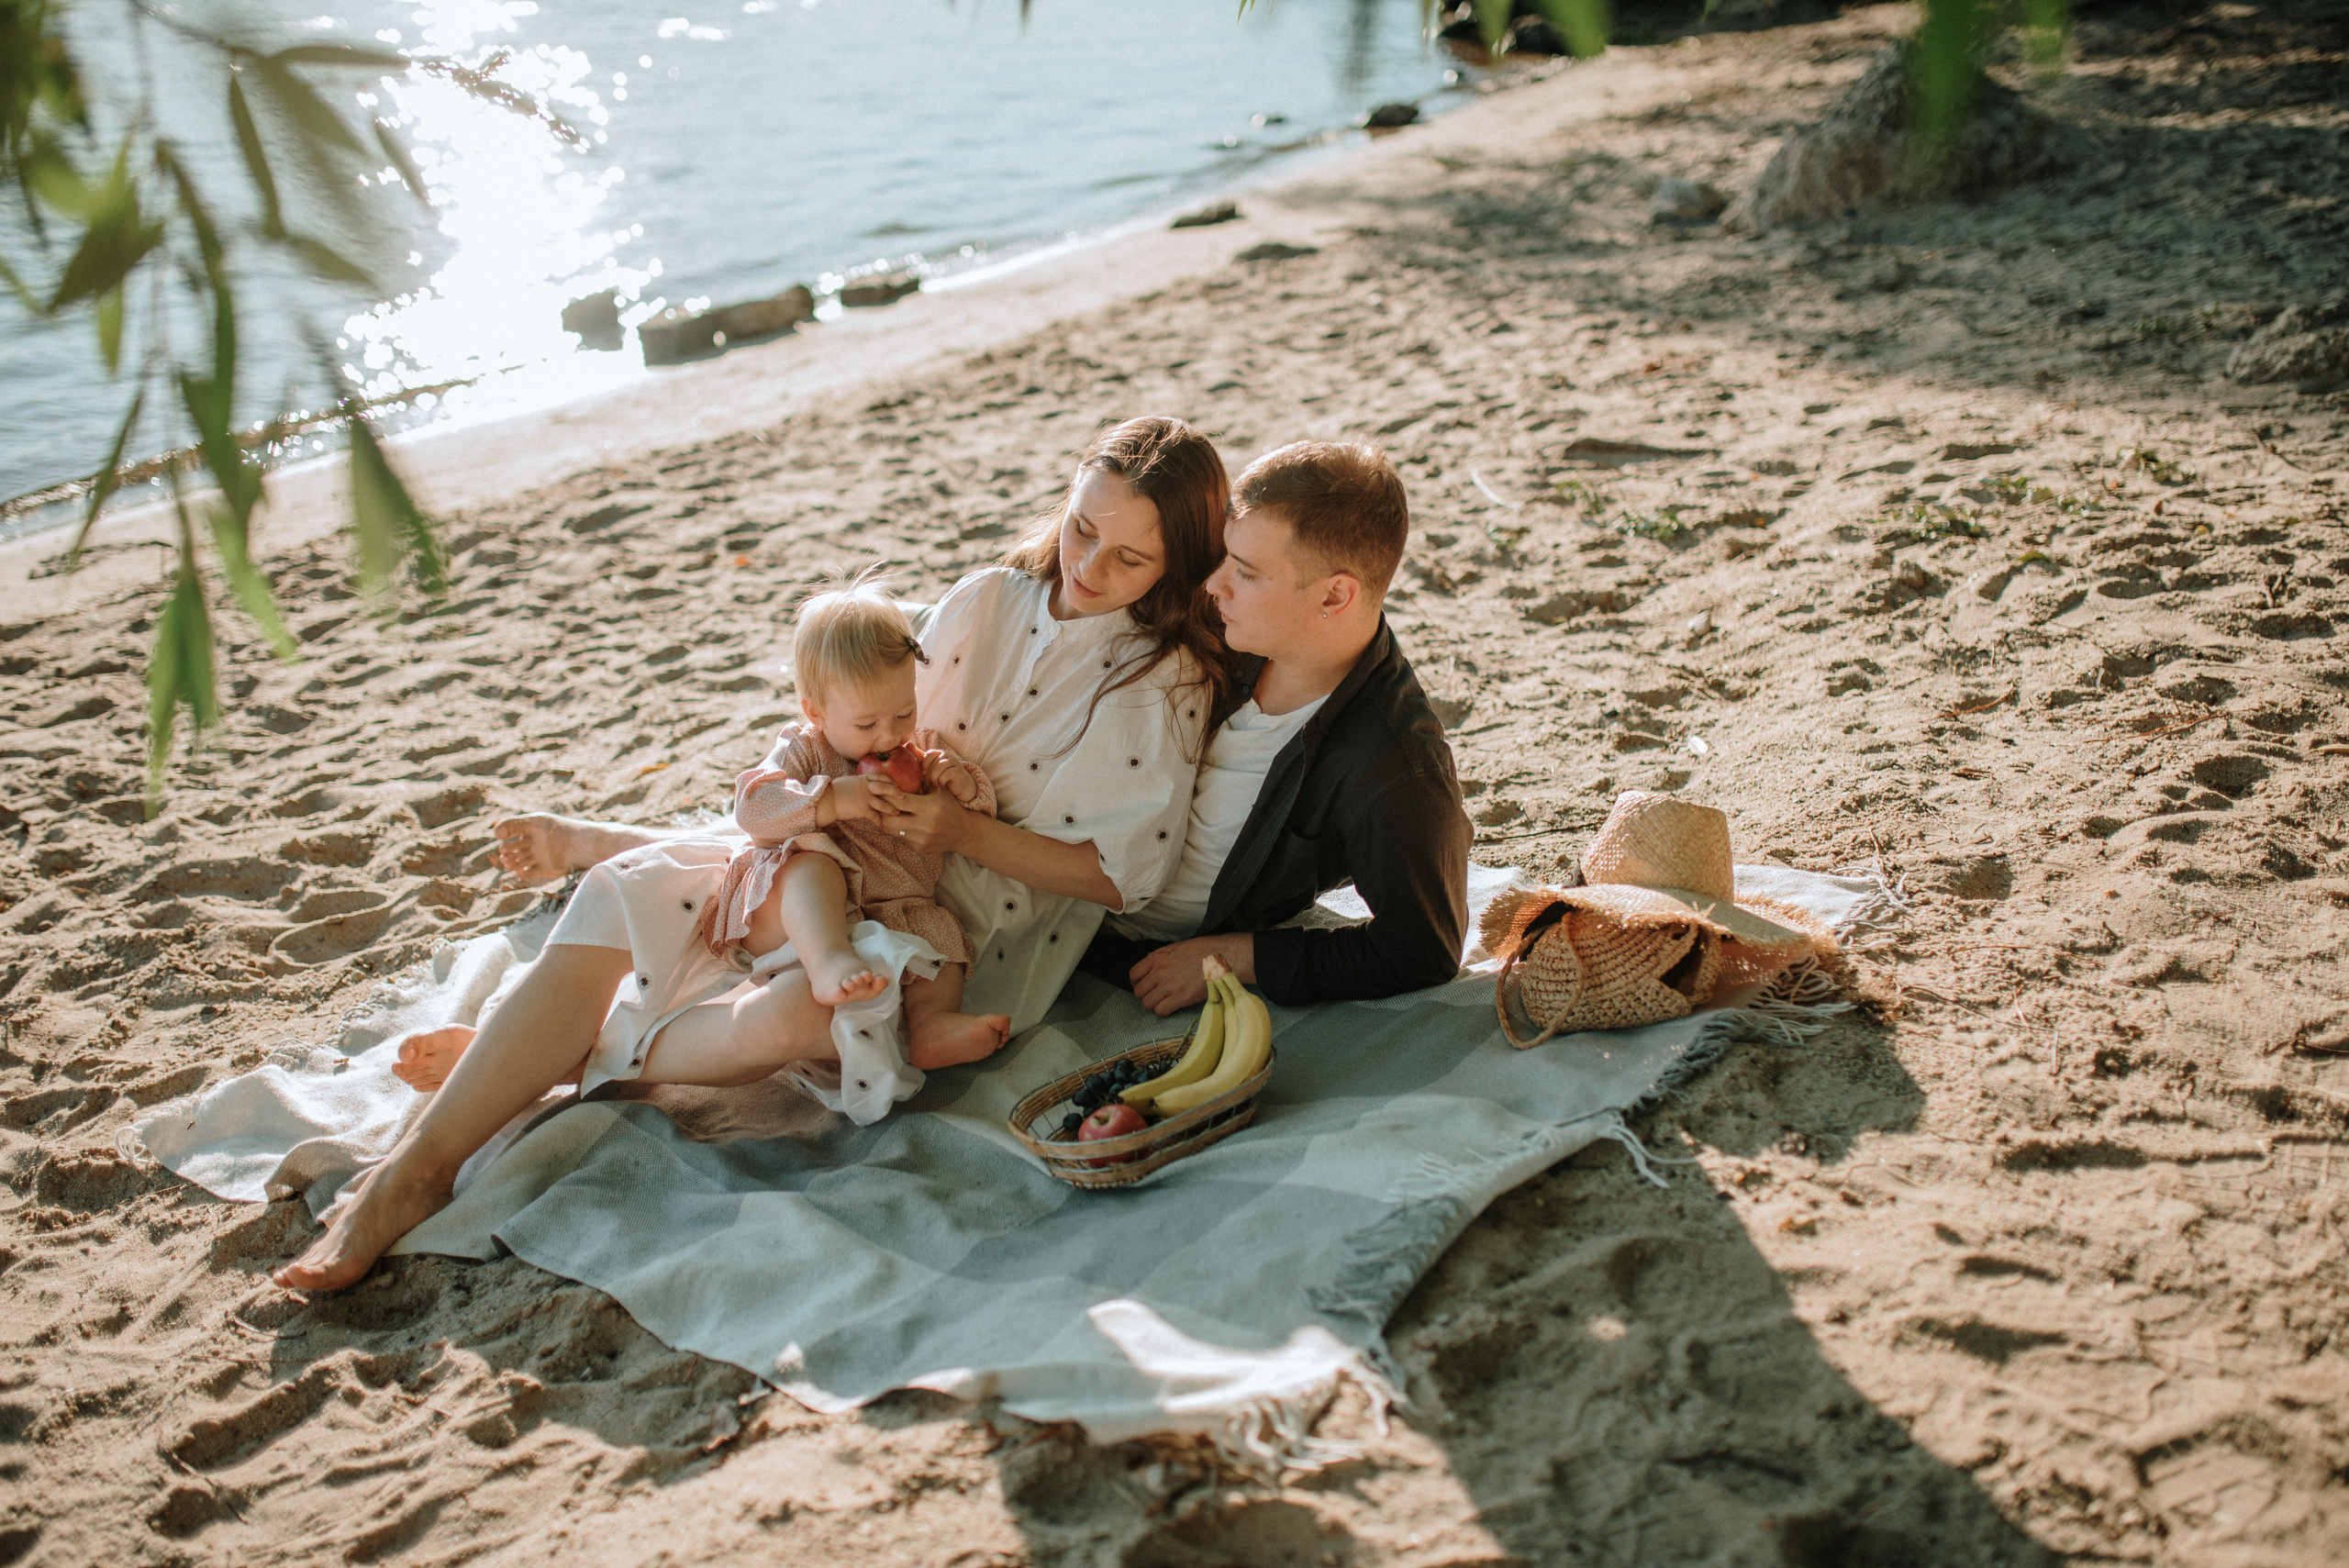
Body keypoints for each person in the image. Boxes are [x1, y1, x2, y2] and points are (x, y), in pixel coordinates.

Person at [274, 415, 1230, 1293]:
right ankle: (414, 1172)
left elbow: (1125, 876)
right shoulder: (988, 598)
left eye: (1128, 556)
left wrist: (962, 830)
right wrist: (835, 784)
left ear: (1176, 564)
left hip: (962, 936)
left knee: (799, 1012)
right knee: (632, 887)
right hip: (843, 849)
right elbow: (867, 713)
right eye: (1079, 528)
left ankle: (539, 1053)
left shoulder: (1160, 678)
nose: (1088, 565)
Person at [1082, 439, 1472, 1015]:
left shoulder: (1394, 767)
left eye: (1246, 572)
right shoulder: (1237, 630)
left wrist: (1241, 956)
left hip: (1102, 941)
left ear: (1335, 595)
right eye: (1225, 557)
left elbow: (1422, 949)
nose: (1214, 584)